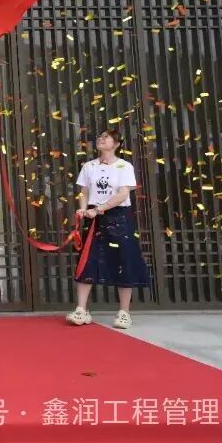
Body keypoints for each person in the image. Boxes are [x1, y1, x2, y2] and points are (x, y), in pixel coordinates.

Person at [66, 129, 150, 329]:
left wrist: (99, 209)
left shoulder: (124, 166)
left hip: (118, 216)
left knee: (123, 260)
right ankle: (81, 309)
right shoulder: (89, 166)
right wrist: (83, 208)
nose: (101, 139)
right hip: (94, 218)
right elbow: (84, 191)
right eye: (100, 136)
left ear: (117, 144)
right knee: (87, 259)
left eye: (106, 137)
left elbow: (123, 194)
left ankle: (124, 312)